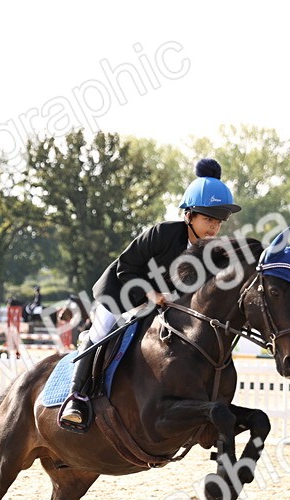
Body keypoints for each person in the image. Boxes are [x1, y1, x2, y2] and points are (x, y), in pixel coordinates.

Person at [59, 157, 241, 431]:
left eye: (218, 222)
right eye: (207, 219)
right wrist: (150, 292)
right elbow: (126, 267)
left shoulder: (211, 253)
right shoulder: (163, 234)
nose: (213, 228)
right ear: (188, 215)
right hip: (120, 293)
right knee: (100, 332)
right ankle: (76, 398)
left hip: (162, 307)